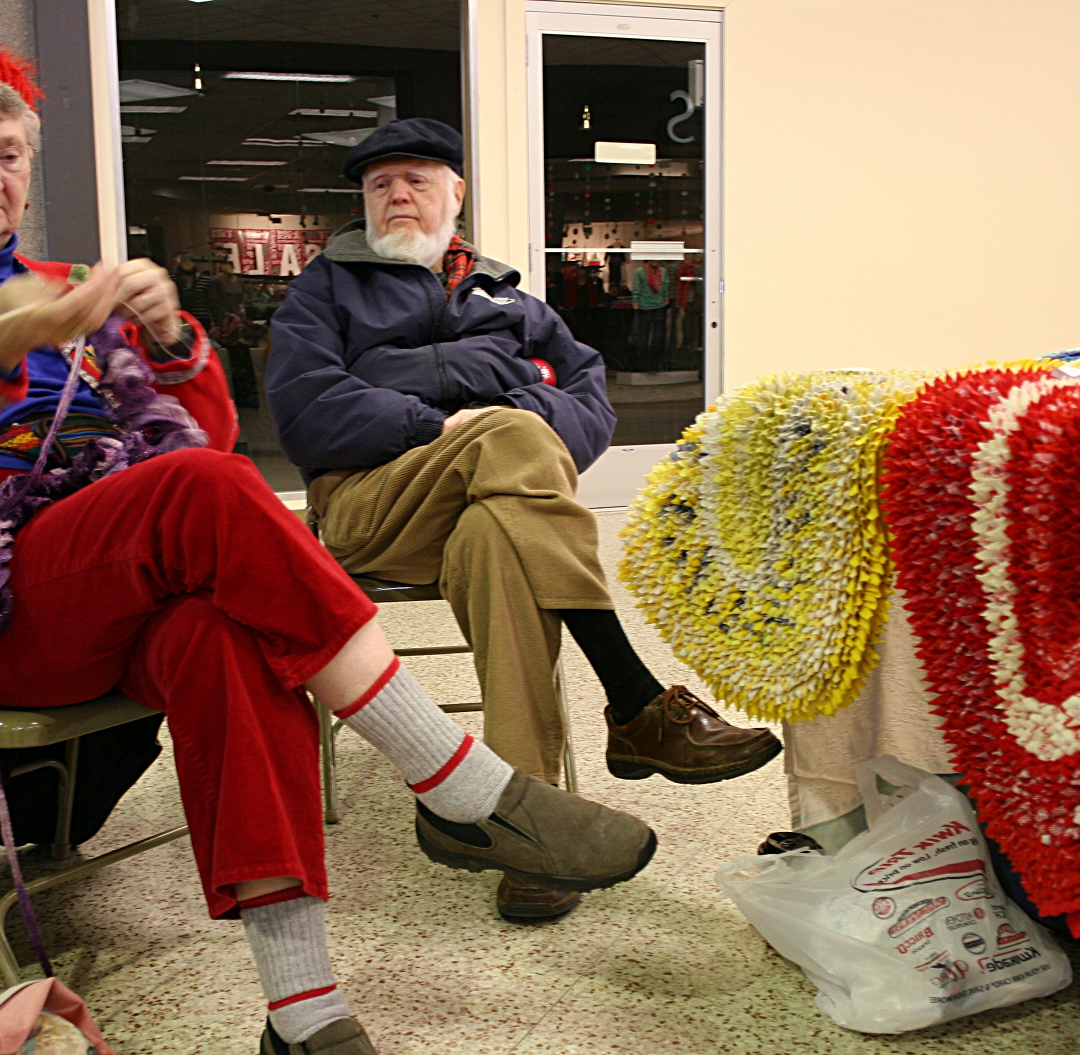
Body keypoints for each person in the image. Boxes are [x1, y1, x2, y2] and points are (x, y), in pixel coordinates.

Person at [0, 39, 656, 1055]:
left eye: (5, 155)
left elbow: (211, 445)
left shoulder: (64, 287)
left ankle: (308, 1022)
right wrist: (2, 346)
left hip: (119, 585)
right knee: (203, 498)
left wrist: (178, 341)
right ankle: (459, 781)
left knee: (228, 635)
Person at [266, 119, 781, 923]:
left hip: (486, 502)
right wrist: (444, 421)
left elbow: (588, 401)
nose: (399, 195)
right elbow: (309, 412)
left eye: (418, 180)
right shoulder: (322, 290)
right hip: (370, 505)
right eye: (380, 185)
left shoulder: (508, 294)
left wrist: (476, 409)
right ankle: (633, 695)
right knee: (510, 434)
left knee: (502, 536)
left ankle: (529, 829)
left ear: (455, 194)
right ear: (362, 201)